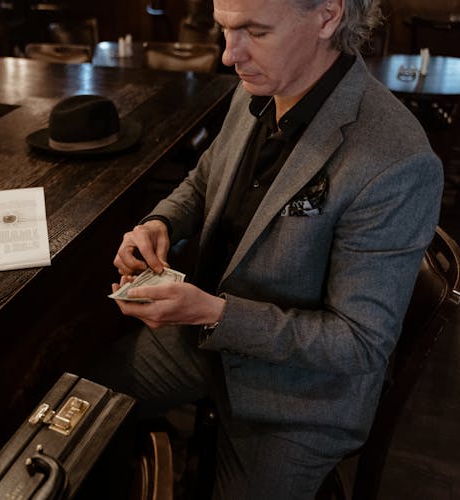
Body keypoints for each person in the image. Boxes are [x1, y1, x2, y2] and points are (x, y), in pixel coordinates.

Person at [94, 0, 444, 497]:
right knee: (80, 407)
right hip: (205, 342)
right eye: (225, 29)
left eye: (255, 31)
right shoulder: (258, 84)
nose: (228, 56)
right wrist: (160, 222)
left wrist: (214, 315)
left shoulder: (397, 161)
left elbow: (358, 343)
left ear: (328, 17)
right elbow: (203, 180)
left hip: (298, 398)